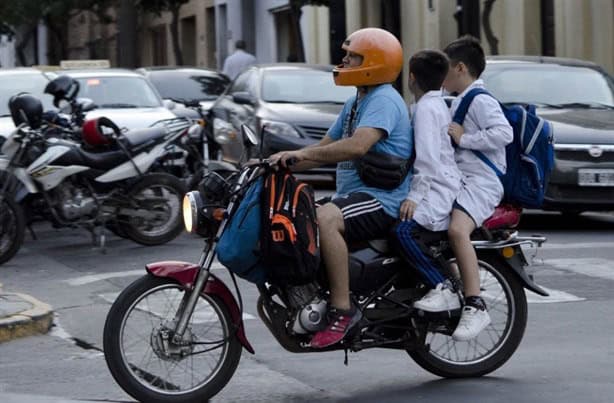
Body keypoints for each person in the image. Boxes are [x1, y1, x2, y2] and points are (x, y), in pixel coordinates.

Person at [269, 28, 412, 348]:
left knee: (325, 219)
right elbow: (324, 148)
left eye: (352, 55)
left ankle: (343, 310)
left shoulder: (384, 100)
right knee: (300, 219)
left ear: (374, 62)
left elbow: (357, 147)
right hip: (355, 195)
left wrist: (301, 155)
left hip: (384, 198)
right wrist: (276, 163)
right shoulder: (356, 101)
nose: (344, 60)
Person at [418, 35, 512, 341]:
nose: (442, 77)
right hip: (465, 180)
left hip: (483, 183)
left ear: (460, 68)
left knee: (458, 231)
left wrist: (464, 139)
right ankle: (450, 287)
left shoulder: (481, 100)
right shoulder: (460, 99)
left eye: (446, 69)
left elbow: (504, 133)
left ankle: (475, 304)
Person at [394, 50, 462, 308]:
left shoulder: (425, 108)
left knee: (403, 231)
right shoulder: (435, 104)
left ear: (411, 77)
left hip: (437, 189)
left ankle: (441, 286)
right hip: (440, 183)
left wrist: (414, 197)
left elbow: (428, 158)